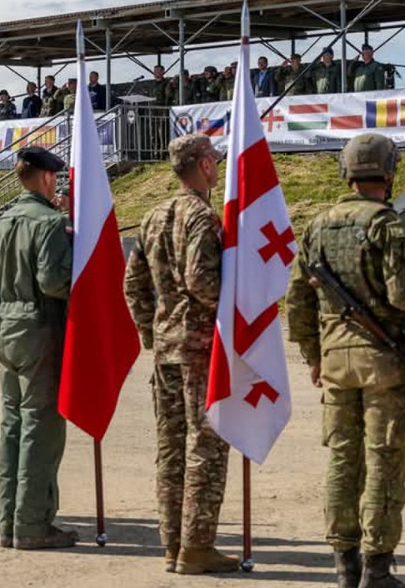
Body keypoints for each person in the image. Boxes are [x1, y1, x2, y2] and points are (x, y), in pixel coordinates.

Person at [286, 134, 405, 588]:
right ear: (389, 174)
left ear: (347, 172)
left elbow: (297, 303)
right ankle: (377, 569)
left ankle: (344, 565)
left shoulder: (317, 226)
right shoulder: (390, 226)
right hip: (383, 362)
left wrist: (312, 355)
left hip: (336, 363)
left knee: (343, 460)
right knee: (384, 462)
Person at [124, 134, 238, 575]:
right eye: (214, 161)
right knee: (204, 446)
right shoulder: (201, 216)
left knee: (170, 448)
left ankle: (172, 544)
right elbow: (202, 282)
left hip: (167, 348)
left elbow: (133, 285)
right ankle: (196, 546)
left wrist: (153, 332)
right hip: (199, 348)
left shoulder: (153, 216)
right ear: (205, 165)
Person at [0, 146, 75, 550]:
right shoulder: (51, 223)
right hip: (40, 329)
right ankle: (33, 523)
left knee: (12, 427)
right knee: (41, 428)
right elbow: (54, 282)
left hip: (5, 330)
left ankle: (9, 522)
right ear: (47, 179)